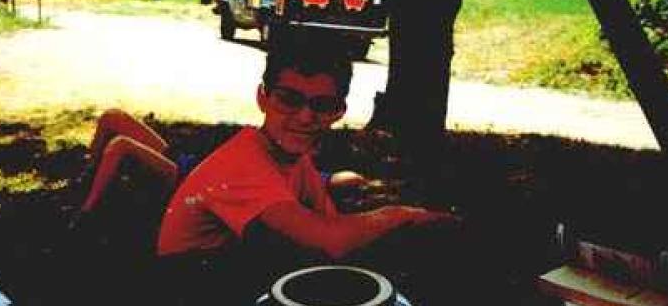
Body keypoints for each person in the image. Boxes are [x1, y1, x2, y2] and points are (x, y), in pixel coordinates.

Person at [153, 42, 456, 304]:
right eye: (289, 99)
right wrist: (400, 215)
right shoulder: (242, 165)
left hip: (231, 274)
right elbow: (330, 241)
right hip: (188, 286)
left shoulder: (293, 157)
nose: (305, 117)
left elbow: (329, 224)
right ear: (262, 97)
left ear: (339, 112)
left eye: (322, 104)